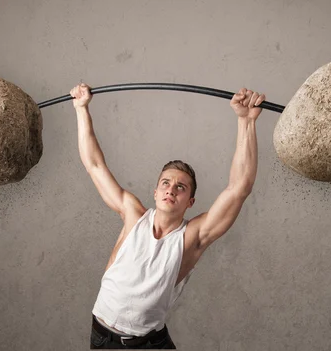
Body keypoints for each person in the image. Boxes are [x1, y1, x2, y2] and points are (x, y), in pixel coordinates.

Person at [70, 83, 266, 349]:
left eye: (180, 187)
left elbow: (239, 188)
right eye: (166, 183)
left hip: (149, 343)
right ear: (155, 191)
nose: (171, 189)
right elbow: (93, 165)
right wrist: (81, 108)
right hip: (104, 338)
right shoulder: (132, 214)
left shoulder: (192, 238)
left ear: (190, 202)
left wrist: (246, 122)